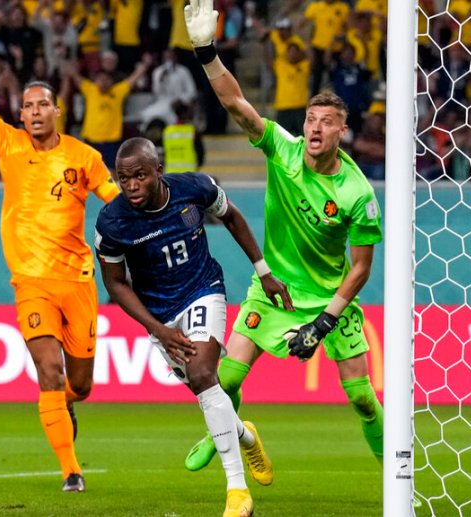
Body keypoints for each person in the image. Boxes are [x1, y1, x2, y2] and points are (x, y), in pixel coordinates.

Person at [182, 0, 387, 487]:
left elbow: (360, 269)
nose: (315, 127)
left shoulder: (358, 194)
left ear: (342, 131)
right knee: (224, 380)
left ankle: (399, 481)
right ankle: (235, 433)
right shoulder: (282, 149)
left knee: (362, 397)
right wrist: (206, 51)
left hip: (329, 299)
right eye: (311, 118)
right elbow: (237, 104)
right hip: (275, 291)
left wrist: (324, 321)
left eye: (326, 121)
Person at [0, 0, 121, 493]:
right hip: (31, 283)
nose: (35, 112)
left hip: (78, 282)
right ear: (20, 114)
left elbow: (114, 200)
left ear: (58, 111)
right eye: (28, 106)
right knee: (48, 371)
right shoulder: (8, 144)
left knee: (79, 385)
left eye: (43, 104)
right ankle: (71, 471)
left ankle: (65, 405)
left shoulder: (84, 157)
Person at [96, 137, 291, 517]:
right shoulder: (112, 222)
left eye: (139, 176)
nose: (131, 185)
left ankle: (237, 491)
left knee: (203, 373)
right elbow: (115, 284)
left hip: (203, 289)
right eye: (123, 178)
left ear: (159, 170)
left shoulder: (195, 188)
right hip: (160, 315)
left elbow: (232, 216)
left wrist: (263, 271)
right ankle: (246, 435)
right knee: (207, 393)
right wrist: (158, 329)